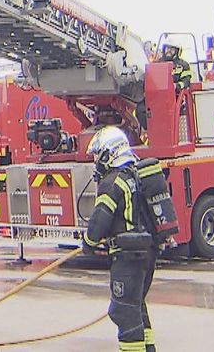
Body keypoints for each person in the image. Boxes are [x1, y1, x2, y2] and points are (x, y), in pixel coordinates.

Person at [83, 126, 158, 352]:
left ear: (109, 154)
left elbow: (99, 222)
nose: (97, 161)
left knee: (123, 311)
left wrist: (88, 243)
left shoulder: (112, 183)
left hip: (128, 258)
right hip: (147, 254)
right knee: (136, 306)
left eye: (98, 156)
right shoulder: (136, 175)